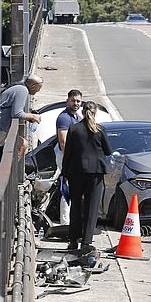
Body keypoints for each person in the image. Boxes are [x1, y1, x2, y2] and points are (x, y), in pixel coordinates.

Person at [62, 101, 112, 253]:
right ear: (94, 113)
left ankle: (73, 240)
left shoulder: (74, 128)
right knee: (92, 208)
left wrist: (64, 173)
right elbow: (108, 151)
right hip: (95, 172)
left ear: (82, 112)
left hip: (76, 171)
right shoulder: (99, 130)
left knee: (75, 206)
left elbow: (68, 153)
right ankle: (86, 242)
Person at [55, 90, 83, 225]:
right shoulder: (65, 117)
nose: (75, 103)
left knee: (73, 189)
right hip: (66, 157)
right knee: (67, 190)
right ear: (67, 100)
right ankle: (65, 223)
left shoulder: (77, 117)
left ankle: (71, 221)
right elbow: (63, 142)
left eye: (78, 101)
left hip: (73, 158)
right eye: (73, 100)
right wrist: (71, 160)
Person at [0, 74, 43, 156]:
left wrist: (29, 117)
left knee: (23, 143)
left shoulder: (19, 87)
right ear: (33, 86)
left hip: (0, 124)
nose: (39, 90)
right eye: (39, 87)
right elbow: (16, 113)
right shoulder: (23, 90)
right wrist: (33, 116)